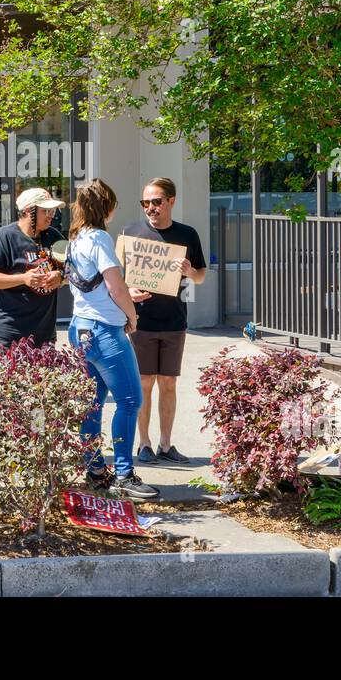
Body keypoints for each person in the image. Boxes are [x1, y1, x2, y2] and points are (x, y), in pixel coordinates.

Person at [65, 178, 159, 500]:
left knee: (92, 404)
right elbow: (116, 287)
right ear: (106, 206)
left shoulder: (75, 239)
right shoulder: (102, 238)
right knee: (131, 401)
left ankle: (94, 469)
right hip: (106, 331)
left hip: (81, 329)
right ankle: (123, 474)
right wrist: (131, 316)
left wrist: (122, 297)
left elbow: (94, 288)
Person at [121, 177, 206, 465]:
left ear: (171, 201)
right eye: (145, 202)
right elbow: (116, 276)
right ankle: (143, 444)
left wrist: (190, 271)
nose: (150, 208)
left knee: (168, 383)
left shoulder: (187, 234)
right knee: (144, 383)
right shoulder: (131, 232)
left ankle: (166, 444)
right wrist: (128, 291)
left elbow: (201, 276)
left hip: (174, 320)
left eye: (156, 202)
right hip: (140, 322)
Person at [0, 188, 66, 350]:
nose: (51, 214)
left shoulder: (54, 236)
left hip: (43, 334)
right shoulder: (3, 237)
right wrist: (23, 278)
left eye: (52, 210)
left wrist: (60, 276)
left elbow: (71, 271)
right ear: (28, 211)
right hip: (4, 333)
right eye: (45, 210)